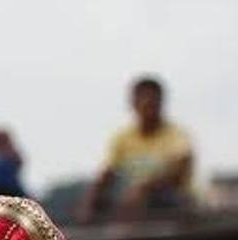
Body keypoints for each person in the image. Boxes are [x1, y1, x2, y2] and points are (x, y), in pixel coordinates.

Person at [80, 76, 194, 221]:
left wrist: (144, 189)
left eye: (153, 102)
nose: (148, 107)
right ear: (133, 104)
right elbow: (107, 174)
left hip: (170, 200)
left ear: (161, 103)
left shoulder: (177, 135)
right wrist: (89, 202)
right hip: (134, 202)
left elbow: (179, 171)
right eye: (144, 102)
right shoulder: (122, 138)